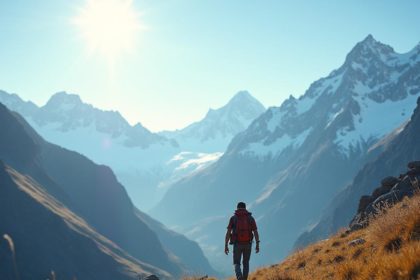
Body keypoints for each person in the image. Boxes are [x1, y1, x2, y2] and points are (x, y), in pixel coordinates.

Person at [224, 202, 260, 280]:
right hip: (248, 243)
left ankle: (239, 277)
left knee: (237, 263)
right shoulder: (250, 218)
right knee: (246, 263)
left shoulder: (233, 218)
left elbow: (228, 233)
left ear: (237, 208)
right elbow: (255, 231)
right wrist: (257, 244)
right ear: (245, 208)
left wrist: (226, 245)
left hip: (237, 244)